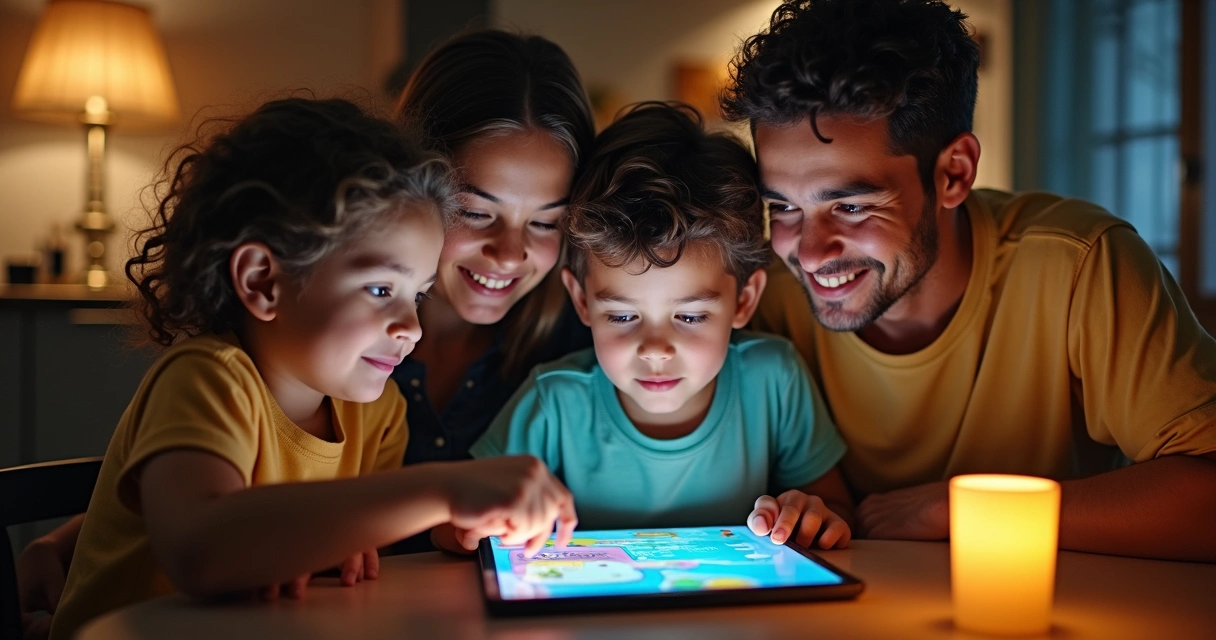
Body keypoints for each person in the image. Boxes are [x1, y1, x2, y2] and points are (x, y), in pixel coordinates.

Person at [18, 30, 597, 636]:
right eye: (476, 212)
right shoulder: (214, 377)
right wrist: (447, 490)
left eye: (547, 221)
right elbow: (204, 535)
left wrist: (466, 522)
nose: (410, 327)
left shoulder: (397, 400)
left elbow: (343, 527)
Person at [724, 0, 1216, 561]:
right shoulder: (760, 293)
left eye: (853, 207)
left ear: (954, 172)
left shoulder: (1080, 265)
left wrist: (957, 508)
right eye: (783, 208)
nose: (808, 253)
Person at [454, 102, 853, 553]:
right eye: (623, 316)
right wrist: (477, 527)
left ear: (744, 300)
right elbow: (456, 521)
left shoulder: (774, 378)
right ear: (581, 300)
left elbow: (836, 509)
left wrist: (810, 516)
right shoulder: (553, 401)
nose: (656, 349)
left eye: (691, 316)